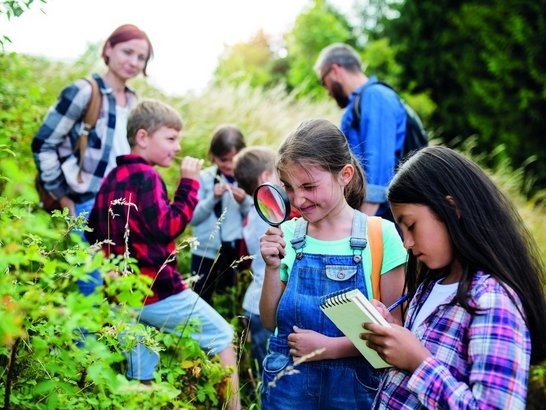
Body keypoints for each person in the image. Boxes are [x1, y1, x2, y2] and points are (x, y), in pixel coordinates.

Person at [360, 146, 546, 409]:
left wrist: (418, 362)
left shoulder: (492, 301)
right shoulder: (428, 287)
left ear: (452, 208)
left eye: (411, 225)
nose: (407, 243)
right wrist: (392, 335)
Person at [85, 100, 240, 409]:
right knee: (223, 336)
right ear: (143, 137)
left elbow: (91, 231)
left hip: (123, 296)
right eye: (170, 138)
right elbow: (168, 226)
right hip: (157, 291)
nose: (178, 146)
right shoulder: (147, 177)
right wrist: (188, 185)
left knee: (141, 371)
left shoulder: (112, 178)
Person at [259, 119, 407, 409]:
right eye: (289, 187)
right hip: (288, 386)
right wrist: (272, 268)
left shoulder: (381, 235)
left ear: (345, 175)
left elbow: (395, 329)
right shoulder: (288, 234)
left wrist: (329, 348)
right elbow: (269, 321)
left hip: (355, 389)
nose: (298, 199)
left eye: (309, 186)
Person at [32, 23, 153, 295]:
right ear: (109, 48)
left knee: (119, 289)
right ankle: (82, 339)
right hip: (87, 202)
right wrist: (63, 197)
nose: (133, 62)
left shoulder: (135, 101)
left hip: (122, 207)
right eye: (127, 52)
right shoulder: (85, 91)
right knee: (93, 284)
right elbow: (43, 144)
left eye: (141, 57)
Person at [314, 43, 406, 220]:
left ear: (335, 70)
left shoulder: (375, 96)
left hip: (381, 220)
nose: (327, 92)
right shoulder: (361, 102)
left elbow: (378, 171)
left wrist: (360, 229)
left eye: (323, 82)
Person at [190, 125, 251, 306]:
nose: (229, 166)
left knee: (231, 300)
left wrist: (245, 202)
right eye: (223, 160)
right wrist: (213, 198)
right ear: (213, 156)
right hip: (204, 252)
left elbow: (255, 216)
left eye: (234, 159)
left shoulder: (247, 179)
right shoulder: (204, 178)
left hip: (234, 251)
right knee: (199, 299)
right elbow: (193, 217)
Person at [233, 146, 278, 376]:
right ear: (265, 178)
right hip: (263, 306)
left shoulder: (252, 210)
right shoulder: (270, 212)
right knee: (268, 371)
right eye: (278, 173)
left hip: (254, 302)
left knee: (262, 365)